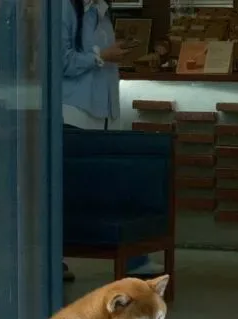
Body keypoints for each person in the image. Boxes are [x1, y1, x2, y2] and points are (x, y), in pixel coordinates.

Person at [60, 0, 162, 282]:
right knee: (75, 189)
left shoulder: (103, 11)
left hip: (104, 111)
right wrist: (100, 56)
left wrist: (112, 53)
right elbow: (60, 61)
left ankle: (132, 257)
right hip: (74, 110)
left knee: (108, 185)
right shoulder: (65, 8)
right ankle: (57, 256)